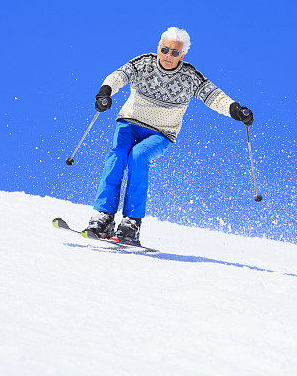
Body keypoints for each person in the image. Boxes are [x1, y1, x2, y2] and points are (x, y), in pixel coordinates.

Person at [85, 26, 254, 245]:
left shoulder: (189, 76)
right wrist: (105, 91)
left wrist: (235, 110)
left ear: (182, 55)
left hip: (162, 132)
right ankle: (103, 217)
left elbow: (214, 97)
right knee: (117, 157)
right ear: (158, 48)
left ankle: (131, 223)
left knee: (138, 157)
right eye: (164, 50)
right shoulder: (143, 63)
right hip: (130, 123)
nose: (168, 56)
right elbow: (119, 76)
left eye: (175, 53)